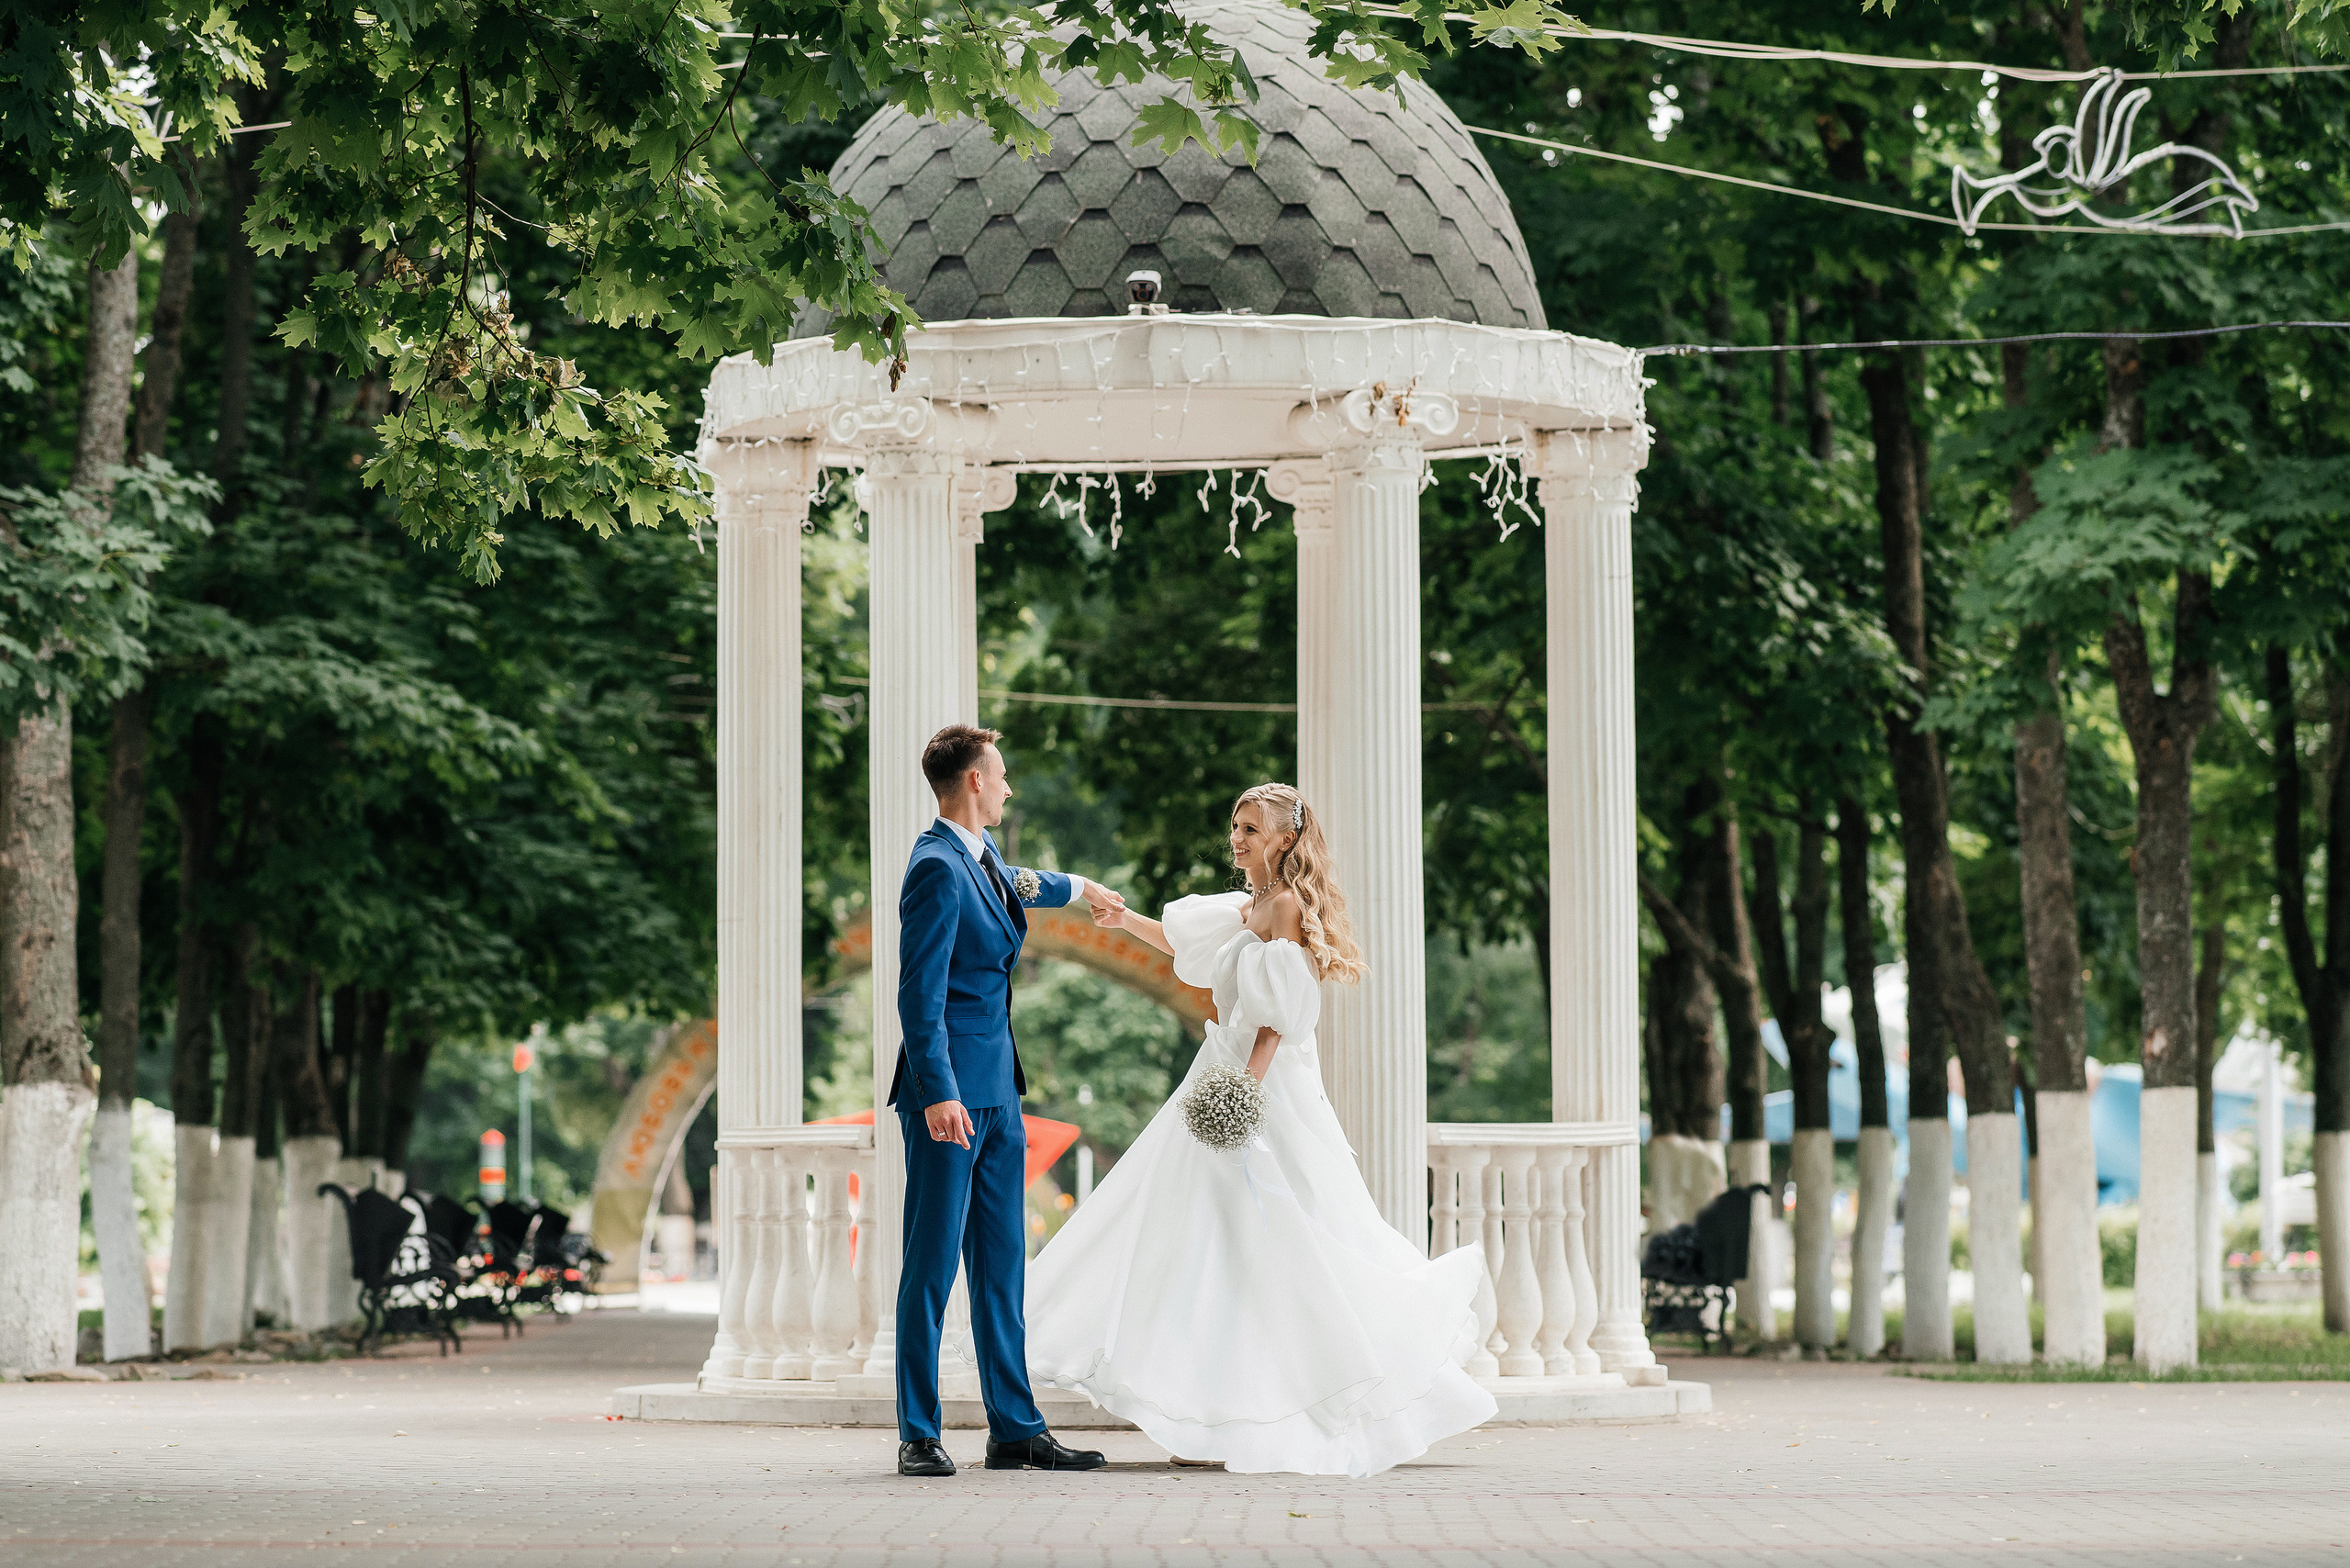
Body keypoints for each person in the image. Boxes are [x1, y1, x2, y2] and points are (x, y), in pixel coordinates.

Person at [1028, 781, 1496, 1477]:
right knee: (1204, 1245)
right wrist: (1124, 919)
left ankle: (1302, 1390)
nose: (1237, 837)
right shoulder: (1247, 908)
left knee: (1275, 1241)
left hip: (1258, 1087)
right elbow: (1183, 946)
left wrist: (1241, 1093)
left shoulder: (1285, 907)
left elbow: (1278, 1018)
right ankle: (1209, 1413)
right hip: (1222, 1071)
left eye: (1251, 828)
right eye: (1235, 825)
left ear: (1284, 839)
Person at [890, 723, 1121, 1478]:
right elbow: (917, 998)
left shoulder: (979, 859)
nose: (1011, 785)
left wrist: (1083, 890)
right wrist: (937, 1095)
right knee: (929, 1269)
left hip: (1000, 1095)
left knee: (1001, 1268)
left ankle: (1015, 1429)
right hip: (949, 1099)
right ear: (974, 784)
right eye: (1003, 774)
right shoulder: (934, 868)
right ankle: (918, 1434)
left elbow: (1023, 881)